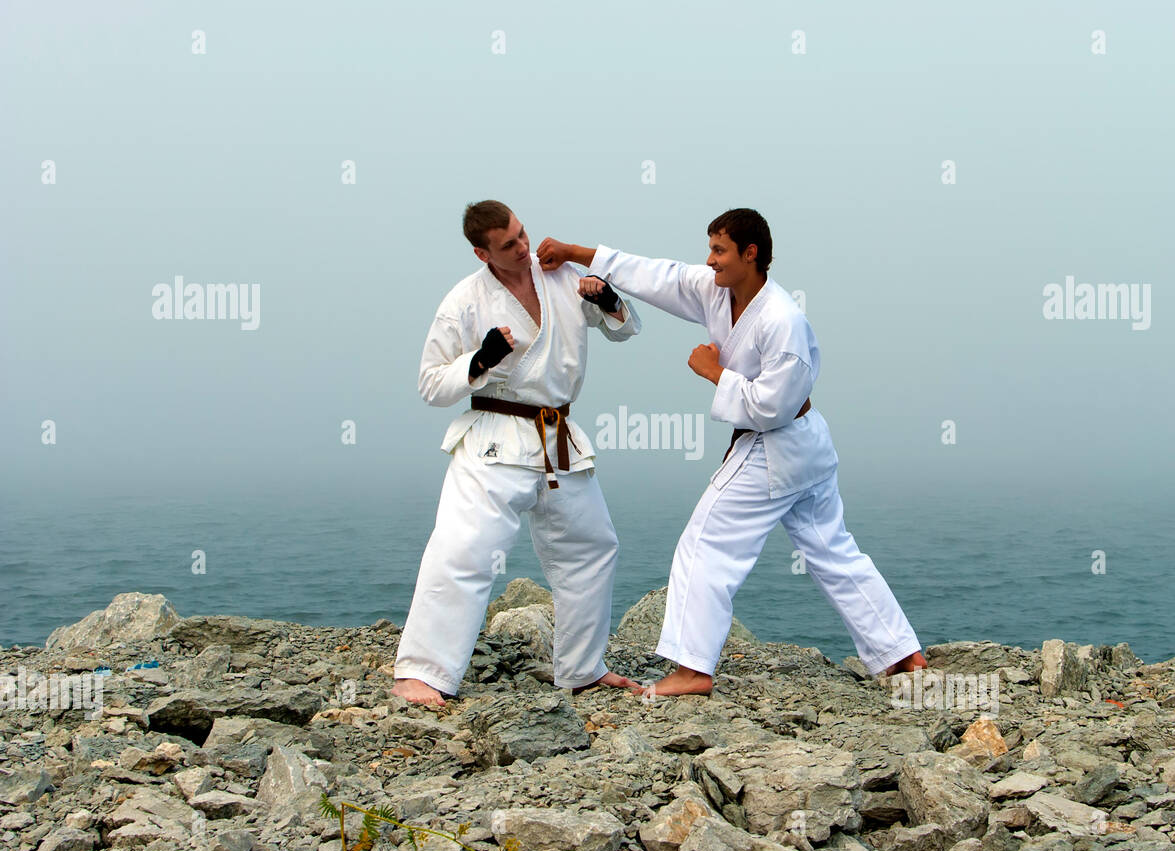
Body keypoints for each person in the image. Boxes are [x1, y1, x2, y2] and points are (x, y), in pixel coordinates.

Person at [537, 209, 926, 697]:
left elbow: (771, 407)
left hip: (776, 444)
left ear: (751, 253)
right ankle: (900, 653)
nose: (710, 260)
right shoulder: (718, 291)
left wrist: (713, 372)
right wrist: (576, 253)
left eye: (720, 251)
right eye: (710, 249)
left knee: (706, 545)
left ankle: (692, 670)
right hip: (806, 448)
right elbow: (659, 275)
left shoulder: (782, 320)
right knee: (831, 550)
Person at [390, 200, 643, 707]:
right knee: (464, 549)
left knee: (592, 548)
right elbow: (430, 384)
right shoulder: (463, 301)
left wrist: (608, 297)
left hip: (556, 434)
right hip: (494, 435)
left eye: (523, 233)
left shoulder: (562, 275)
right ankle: (421, 673)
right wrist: (480, 359)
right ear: (482, 251)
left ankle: (582, 669)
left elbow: (624, 326)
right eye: (509, 245)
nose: (524, 247)